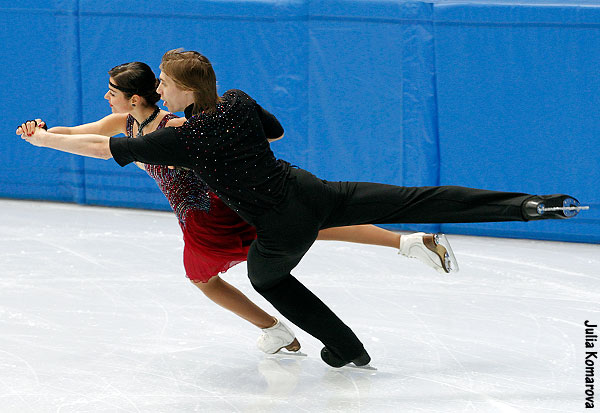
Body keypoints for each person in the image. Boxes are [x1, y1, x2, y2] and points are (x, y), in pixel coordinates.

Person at [17, 49, 585, 368]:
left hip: (277, 220)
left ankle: (344, 345)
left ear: (179, 91)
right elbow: (276, 129)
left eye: (165, 84)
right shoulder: (234, 100)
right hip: (312, 189)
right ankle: (532, 204)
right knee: (414, 198)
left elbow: (106, 145)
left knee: (267, 274)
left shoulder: (180, 137)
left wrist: (44, 141)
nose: (160, 91)